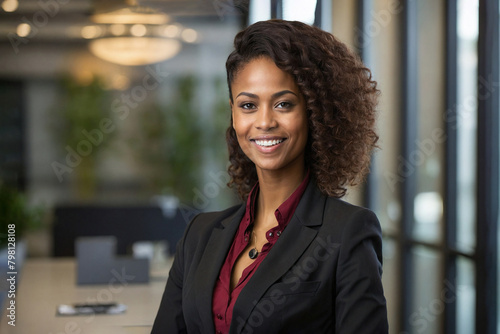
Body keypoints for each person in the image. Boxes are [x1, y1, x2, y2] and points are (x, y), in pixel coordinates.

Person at [151, 19, 388, 333]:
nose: (264, 122)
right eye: (248, 105)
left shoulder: (348, 233)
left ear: (316, 112)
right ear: (234, 115)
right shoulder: (200, 234)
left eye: (283, 104)